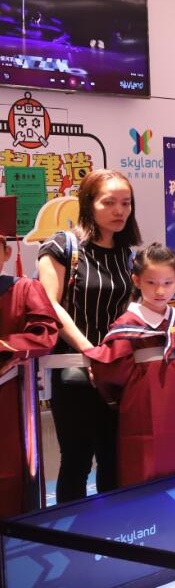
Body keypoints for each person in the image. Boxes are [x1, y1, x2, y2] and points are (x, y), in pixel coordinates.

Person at [37, 170, 141, 502]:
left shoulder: (127, 254)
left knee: (115, 457)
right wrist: (90, 350)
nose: (119, 210)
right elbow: (49, 305)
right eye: (108, 202)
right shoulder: (61, 246)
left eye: (125, 203)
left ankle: (116, 527)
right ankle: (73, 531)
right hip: (74, 369)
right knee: (77, 460)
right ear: (88, 204)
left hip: (117, 370)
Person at [86, 244, 175, 486]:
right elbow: (110, 374)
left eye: (168, 283)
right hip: (140, 411)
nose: (160, 290)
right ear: (136, 280)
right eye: (151, 283)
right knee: (143, 472)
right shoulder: (126, 325)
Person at [0, 200, 57, 517]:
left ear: (7, 252)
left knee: (11, 477)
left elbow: (45, 333)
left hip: (10, 399)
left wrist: (6, 347)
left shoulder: (24, 290)